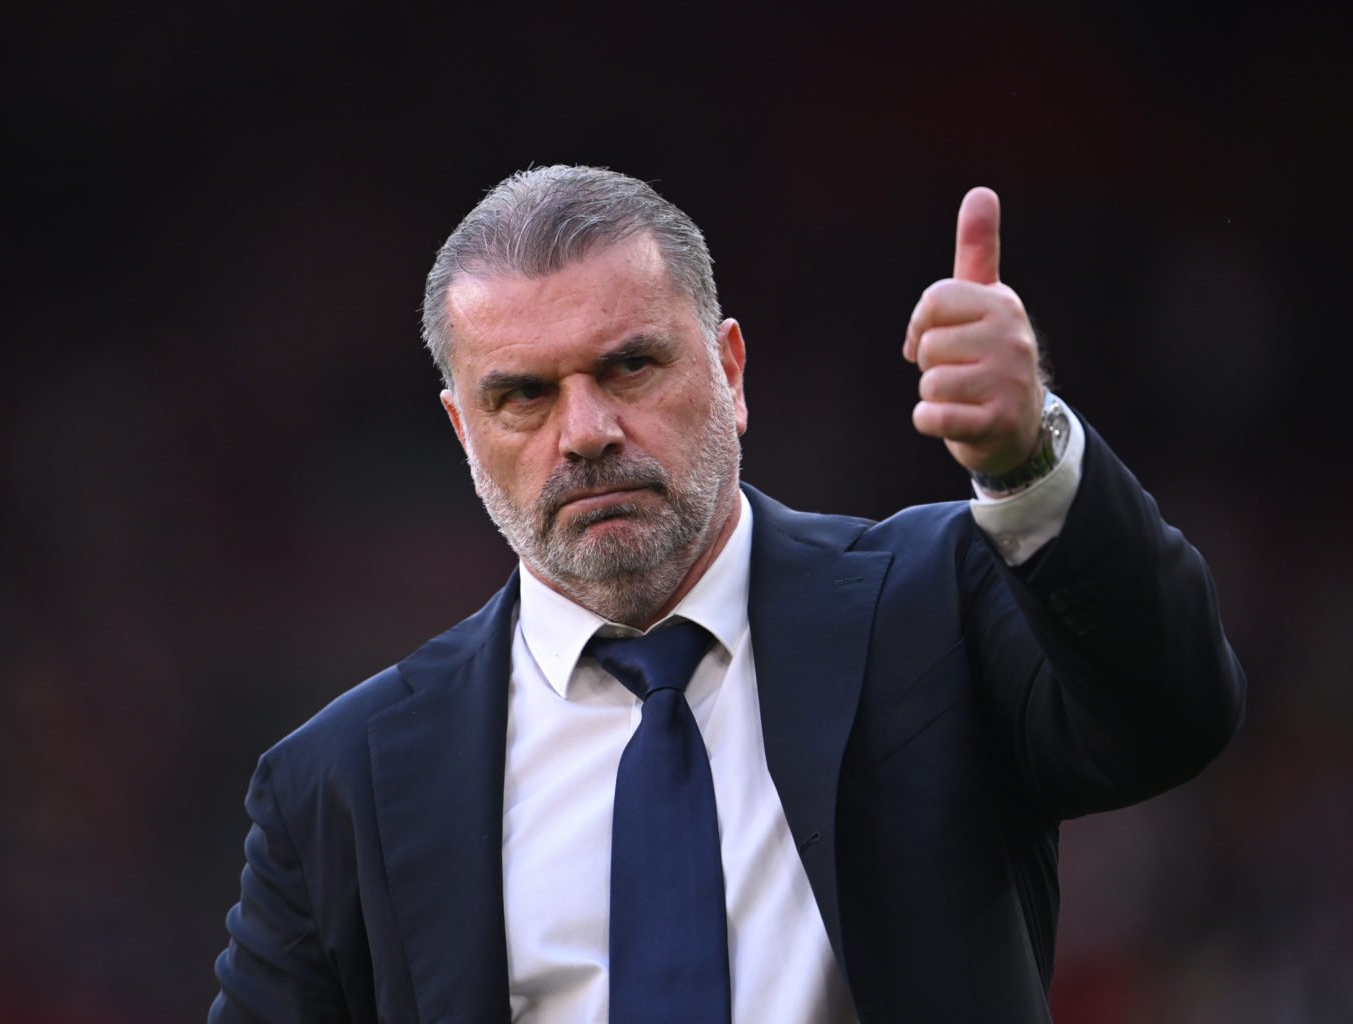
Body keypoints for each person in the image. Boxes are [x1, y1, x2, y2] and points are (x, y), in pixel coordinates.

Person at [210, 166, 1245, 1023]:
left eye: (630, 366)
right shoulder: (336, 786)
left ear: (731, 370)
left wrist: (1029, 462)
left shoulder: (939, 602)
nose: (585, 431)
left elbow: (1172, 715)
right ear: (462, 434)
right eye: (522, 394)